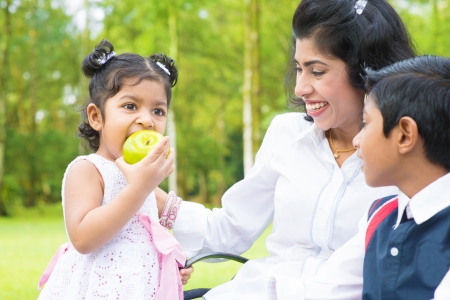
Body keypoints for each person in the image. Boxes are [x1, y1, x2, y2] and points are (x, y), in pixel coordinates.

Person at [156, 0, 416, 299]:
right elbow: (230, 231)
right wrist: (154, 197)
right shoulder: (287, 135)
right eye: (298, 69)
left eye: (316, 71)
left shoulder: (409, 155)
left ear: (365, 71)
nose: (299, 88)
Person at [38, 39, 192, 300]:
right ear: (96, 117)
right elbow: (83, 238)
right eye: (130, 106)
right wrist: (140, 188)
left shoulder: (142, 179)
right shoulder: (88, 170)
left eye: (158, 110)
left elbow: (142, 236)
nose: (147, 120)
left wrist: (168, 261)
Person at [353, 55, 450, 300]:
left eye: (365, 123)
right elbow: (324, 289)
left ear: (405, 135)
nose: (356, 140)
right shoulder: (381, 215)